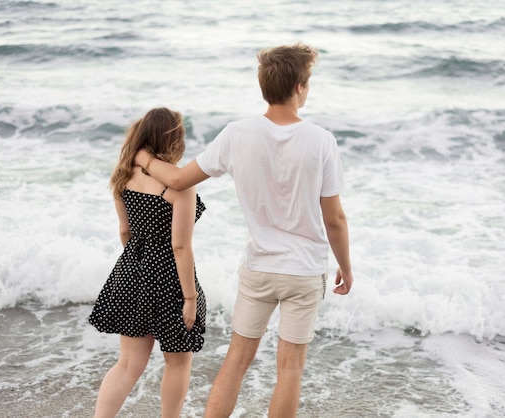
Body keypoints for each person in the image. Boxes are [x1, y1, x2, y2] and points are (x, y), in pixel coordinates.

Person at [136, 43, 353, 418]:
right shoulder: (321, 140)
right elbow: (334, 218)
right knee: (290, 369)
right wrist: (345, 268)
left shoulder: (237, 134)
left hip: (259, 269)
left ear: (263, 86)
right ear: (300, 87)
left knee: (236, 360)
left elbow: (179, 178)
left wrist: (144, 158)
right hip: (304, 271)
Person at [89, 107, 207, 418]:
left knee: (127, 364)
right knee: (178, 361)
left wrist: (139, 265)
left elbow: (125, 231)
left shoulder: (123, 175)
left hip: (133, 269)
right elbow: (180, 246)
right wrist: (190, 297)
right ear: (173, 139)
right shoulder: (178, 185)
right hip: (170, 277)